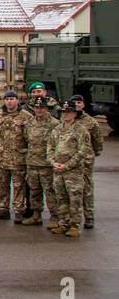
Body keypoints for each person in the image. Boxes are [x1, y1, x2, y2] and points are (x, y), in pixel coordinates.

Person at [48, 97, 94, 238]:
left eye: (69, 112)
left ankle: (74, 225)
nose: (65, 114)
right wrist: (53, 162)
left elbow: (82, 152)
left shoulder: (81, 130)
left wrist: (67, 166)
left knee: (74, 200)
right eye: (63, 112)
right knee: (61, 198)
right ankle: (63, 223)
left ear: (75, 113)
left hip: (73, 172)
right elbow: (50, 148)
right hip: (58, 170)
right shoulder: (57, 129)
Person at [0, 90, 29, 221]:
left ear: (17, 100)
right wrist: (1, 144)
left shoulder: (25, 116)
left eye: (12, 99)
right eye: (7, 99)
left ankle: (18, 211)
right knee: (1, 184)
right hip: (1, 156)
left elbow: (29, 136)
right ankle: (3, 209)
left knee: (18, 186)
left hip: (18, 157)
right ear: (4, 101)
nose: (9, 101)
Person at [21, 97, 59, 228]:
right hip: (32, 163)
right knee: (34, 191)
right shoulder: (30, 123)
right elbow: (27, 139)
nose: (39, 110)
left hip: (46, 165)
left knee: (50, 192)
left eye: (42, 108)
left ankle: (55, 217)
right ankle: (36, 215)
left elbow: (57, 144)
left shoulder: (54, 124)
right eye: (37, 108)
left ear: (47, 109)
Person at [72, 96, 103, 230]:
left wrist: (92, 154)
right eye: (74, 103)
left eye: (79, 102)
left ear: (84, 105)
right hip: (70, 161)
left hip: (85, 160)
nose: (77, 105)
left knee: (87, 188)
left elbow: (97, 141)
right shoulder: (67, 119)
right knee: (71, 189)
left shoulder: (91, 122)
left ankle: (89, 216)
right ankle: (71, 216)